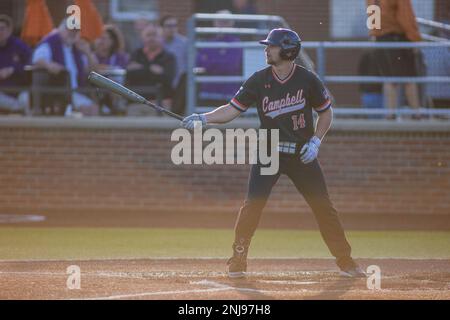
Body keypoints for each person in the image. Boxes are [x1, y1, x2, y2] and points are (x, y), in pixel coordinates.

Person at [182, 28, 366, 278]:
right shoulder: (259, 80)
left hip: (302, 154)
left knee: (323, 206)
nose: (266, 50)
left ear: (288, 50)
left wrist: (315, 142)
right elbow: (232, 109)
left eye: (272, 46)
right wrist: (203, 118)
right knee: (253, 206)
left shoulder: (308, 80)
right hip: (269, 152)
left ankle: (345, 260)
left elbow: (326, 112)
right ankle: (238, 258)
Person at [367, 0, 422, 120]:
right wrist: (415, 38)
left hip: (381, 39)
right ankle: (416, 114)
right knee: (409, 78)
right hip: (398, 39)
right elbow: (405, 16)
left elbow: (373, 16)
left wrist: (375, 34)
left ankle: (390, 114)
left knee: (389, 79)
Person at [32, 19, 99, 116]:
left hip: (77, 92)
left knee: (95, 108)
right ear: (61, 29)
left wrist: (88, 53)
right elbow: (37, 59)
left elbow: (94, 71)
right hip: (59, 93)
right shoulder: (51, 42)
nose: (73, 33)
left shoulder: (76, 47)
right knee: (89, 109)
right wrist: (49, 65)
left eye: (76, 31)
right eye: (70, 30)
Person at [196, 10, 243, 106]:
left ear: (231, 24)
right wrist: (218, 61)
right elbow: (199, 62)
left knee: (223, 120)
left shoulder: (236, 43)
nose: (221, 25)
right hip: (208, 91)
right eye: (219, 22)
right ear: (214, 23)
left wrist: (209, 62)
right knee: (202, 119)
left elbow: (230, 65)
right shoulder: (209, 42)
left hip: (228, 94)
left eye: (225, 22)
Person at [126, 24, 176, 115]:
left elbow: (167, 79)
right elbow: (130, 75)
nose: (151, 38)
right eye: (148, 35)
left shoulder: (169, 57)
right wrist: (151, 70)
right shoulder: (136, 54)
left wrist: (141, 69)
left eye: (155, 35)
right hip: (137, 103)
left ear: (161, 38)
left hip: (161, 104)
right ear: (142, 38)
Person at [94, 24, 129, 115]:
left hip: (117, 90)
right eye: (99, 38)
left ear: (113, 41)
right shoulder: (92, 56)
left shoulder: (120, 57)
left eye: (104, 38)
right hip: (96, 89)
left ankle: (116, 109)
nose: (101, 42)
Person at [0, 14, 31, 115]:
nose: (0, 32)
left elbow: (31, 64)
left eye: (2, 28)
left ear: (9, 30)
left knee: (27, 99)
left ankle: (18, 109)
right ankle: (17, 108)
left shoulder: (19, 45)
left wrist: (13, 69)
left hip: (20, 90)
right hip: (1, 92)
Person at [160, 15, 188, 115]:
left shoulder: (185, 43)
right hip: (163, 81)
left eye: (174, 26)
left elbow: (185, 67)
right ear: (162, 28)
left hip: (180, 82)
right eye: (168, 26)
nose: (172, 29)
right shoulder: (158, 42)